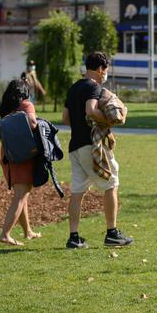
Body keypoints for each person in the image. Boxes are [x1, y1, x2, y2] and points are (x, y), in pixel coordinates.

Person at [62, 52, 132, 249]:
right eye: (106, 70)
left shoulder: (74, 88)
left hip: (74, 146)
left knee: (77, 191)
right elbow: (91, 109)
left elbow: (65, 118)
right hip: (91, 145)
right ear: (101, 69)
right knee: (111, 182)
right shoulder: (94, 87)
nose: (105, 74)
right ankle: (112, 233)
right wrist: (108, 120)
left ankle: (73, 237)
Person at [0, 79, 42, 246]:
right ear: (25, 92)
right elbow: (32, 123)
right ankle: (5, 234)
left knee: (23, 194)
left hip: (8, 154)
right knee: (21, 195)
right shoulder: (26, 105)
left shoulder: (5, 108)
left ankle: (27, 231)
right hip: (23, 154)